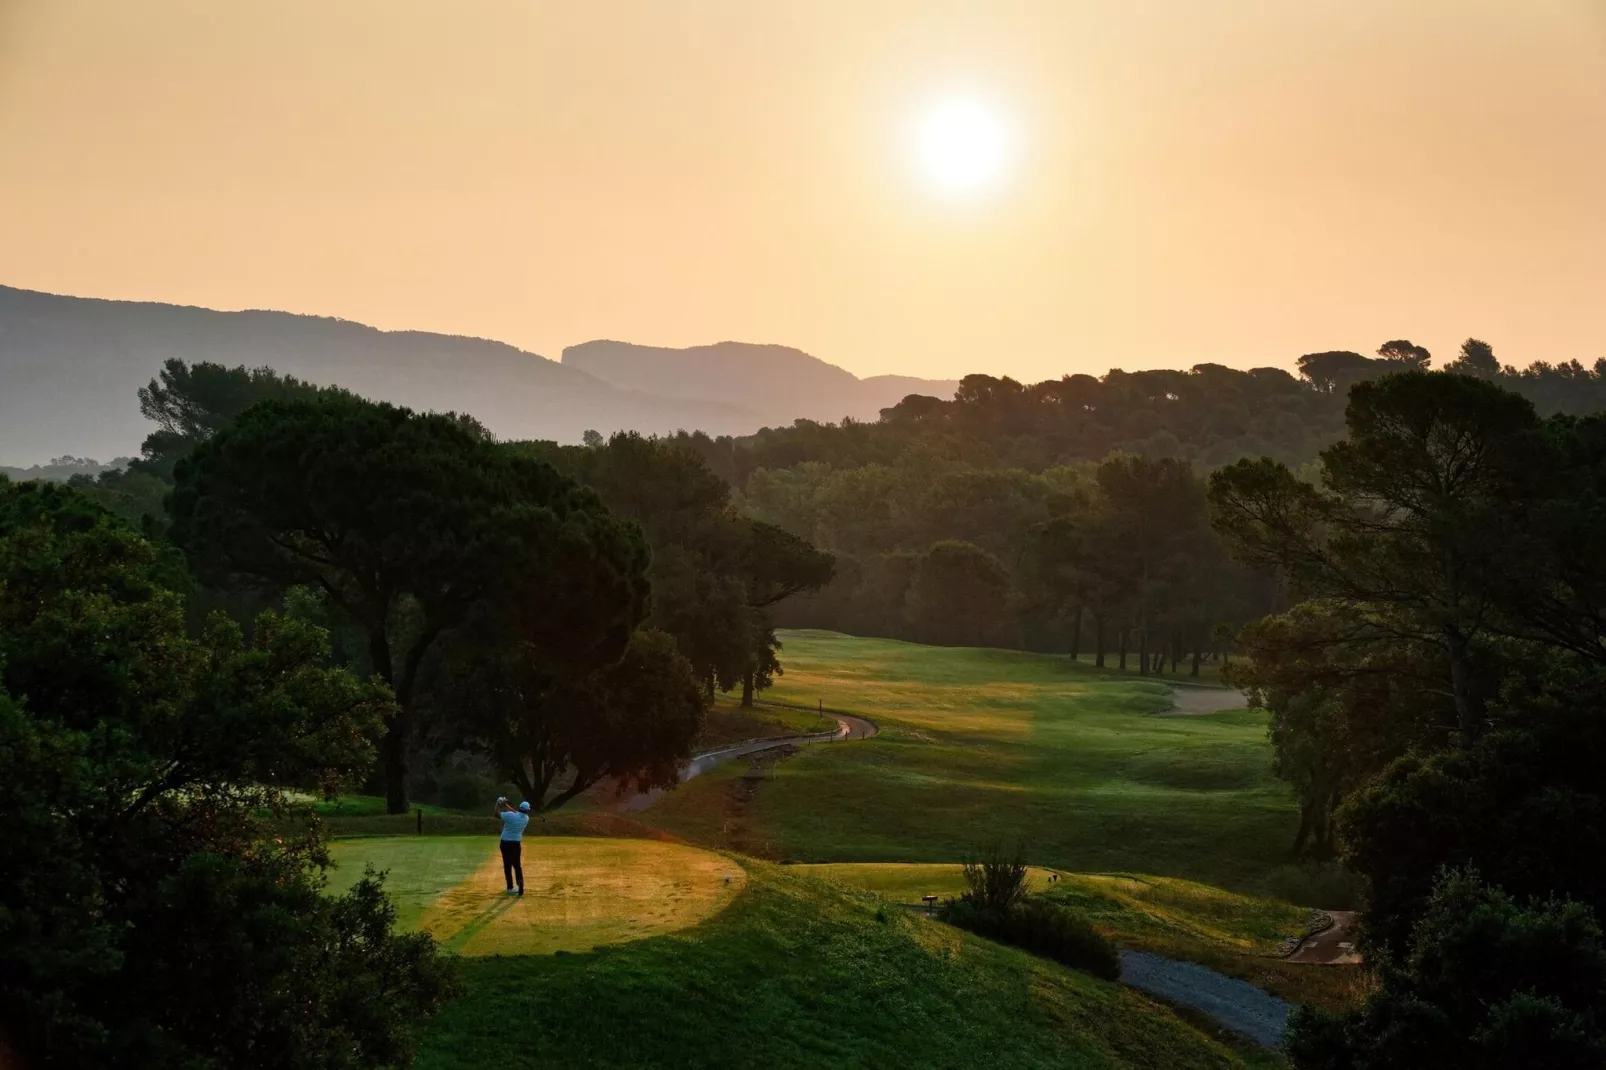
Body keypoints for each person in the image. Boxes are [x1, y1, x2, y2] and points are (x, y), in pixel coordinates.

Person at [493, 796, 531, 896]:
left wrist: (498, 804)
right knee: (517, 865)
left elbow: (496, 815)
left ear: (519, 808)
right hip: (516, 844)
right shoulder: (526, 818)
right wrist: (506, 805)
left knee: (507, 865)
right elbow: (516, 813)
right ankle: (520, 884)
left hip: (505, 843)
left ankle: (510, 887)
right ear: (527, 811)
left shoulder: (510, 815)